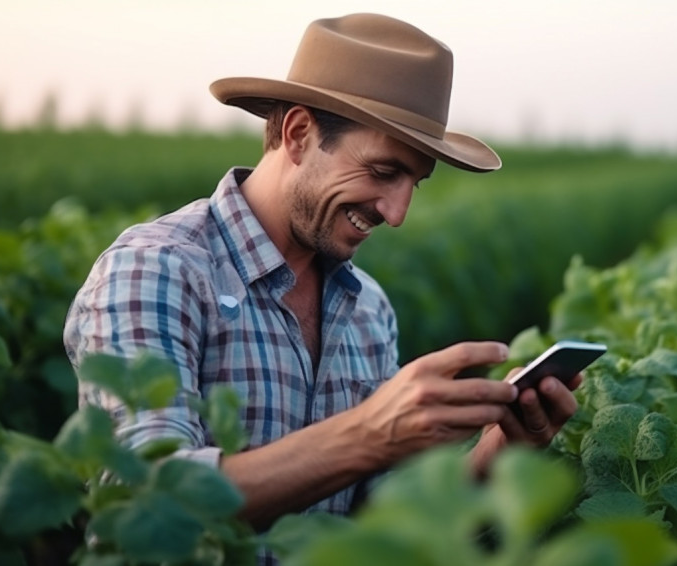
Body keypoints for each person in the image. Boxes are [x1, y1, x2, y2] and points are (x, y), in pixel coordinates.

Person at [64, 12, 581, 536]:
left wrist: (499, 448)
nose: (397, 212)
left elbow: (379, 529)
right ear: (298, 133)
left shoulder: (368, 308)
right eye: (384, 172)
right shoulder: (158, 272)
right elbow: (143, 501)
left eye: (414, 184)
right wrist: (368, 434)